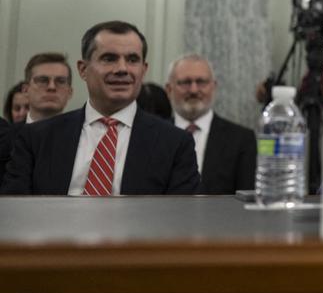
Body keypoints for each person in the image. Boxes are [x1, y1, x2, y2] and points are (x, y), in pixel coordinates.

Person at [2, 20, 199, 195]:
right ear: (83, 69)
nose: (122, 69)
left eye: (132, 60)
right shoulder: (36, 138)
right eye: (109, 58)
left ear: (143, 70)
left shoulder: (175, 144)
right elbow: (14, 213)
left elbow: (181, 222)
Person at [165, 54, 255, 194]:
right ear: (169, 89)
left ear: (214, 87)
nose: (194, 90)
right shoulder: (153, 136)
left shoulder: (242, 140)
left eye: (201, 82)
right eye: (185, 82)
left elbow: (245, 199)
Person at [21, 52, 74, 123]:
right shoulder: (8, 133)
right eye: (42, 81)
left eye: (60, 81)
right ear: (25, 90)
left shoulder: (83, 133)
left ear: (69, 92)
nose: (52, 87)